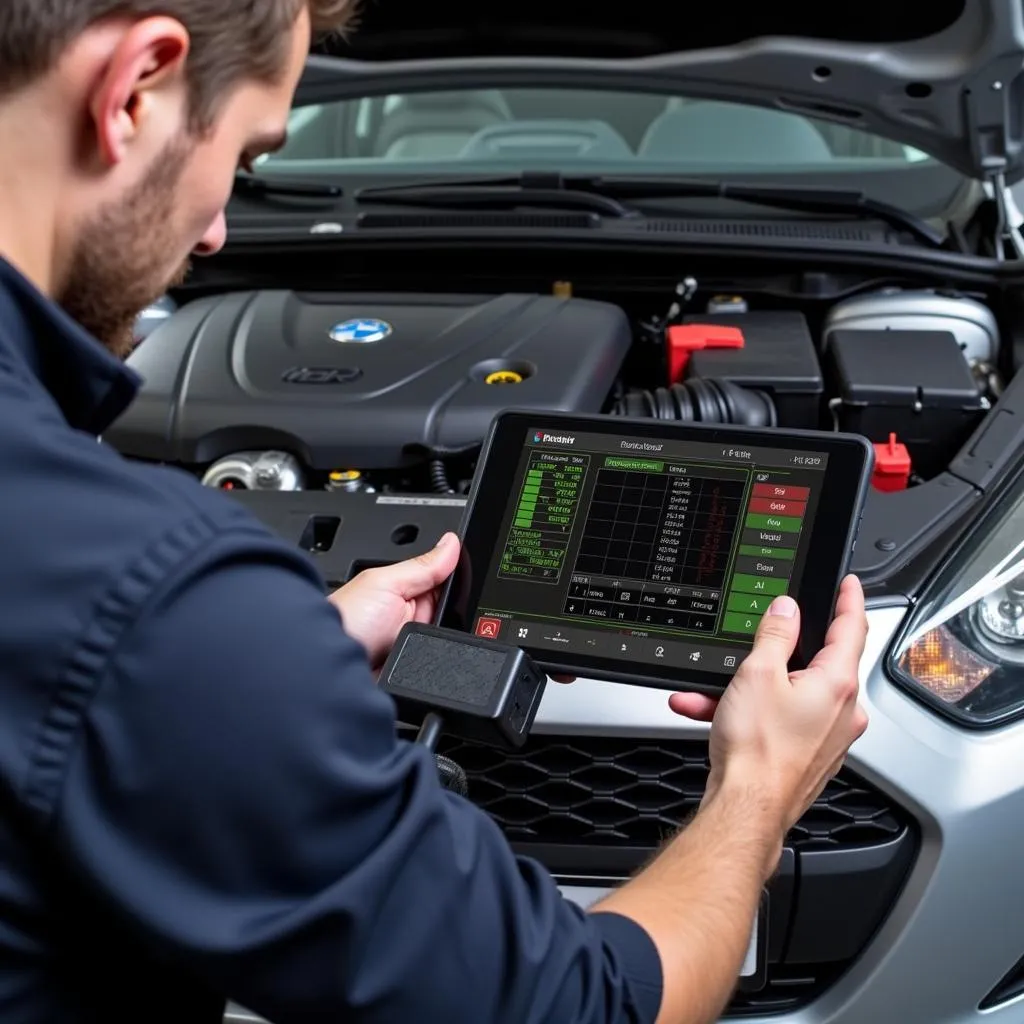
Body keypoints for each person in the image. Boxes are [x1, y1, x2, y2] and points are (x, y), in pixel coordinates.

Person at [0, 3, 869, 1023]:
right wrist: (758, 789)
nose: (222, 226)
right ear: (135, 89)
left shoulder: (129, 591)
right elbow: (581, 1008)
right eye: (244, 153)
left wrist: (261, 669)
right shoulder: (156, 592)